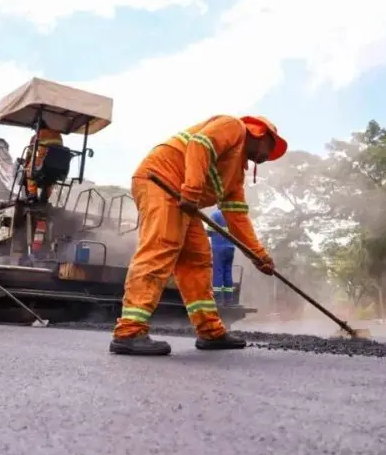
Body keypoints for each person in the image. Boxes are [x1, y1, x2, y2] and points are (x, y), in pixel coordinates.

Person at [110, 115, 287, 356]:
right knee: (161, 245)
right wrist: (192, 191)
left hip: (183, 197)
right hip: (162, 180)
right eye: (271, 146)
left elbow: (237, 216)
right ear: (260, 134)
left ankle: (210, 331)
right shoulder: (233, 126)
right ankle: (129, 331)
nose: (269, 155)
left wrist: (259, 256)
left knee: (197, 259)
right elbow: (200, 144)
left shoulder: (234, 175)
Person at [24, 120, 63, 203]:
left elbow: (30, 153)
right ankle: (45, 198)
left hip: (44, 162)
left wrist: (26, 163)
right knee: (51, 180)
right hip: (59, 166)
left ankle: (32, 194)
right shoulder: (58, 135)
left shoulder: (37, 136)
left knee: (29, 170)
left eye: (35, 129)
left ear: (37, 127)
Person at [208, 208, 237, 305]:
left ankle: (217, 299)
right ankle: (228, 299)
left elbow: (208, 231)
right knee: (228, 272)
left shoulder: (215, 215)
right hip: (230, 248)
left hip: (218, 248)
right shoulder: (233, 215)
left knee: (218, 271)